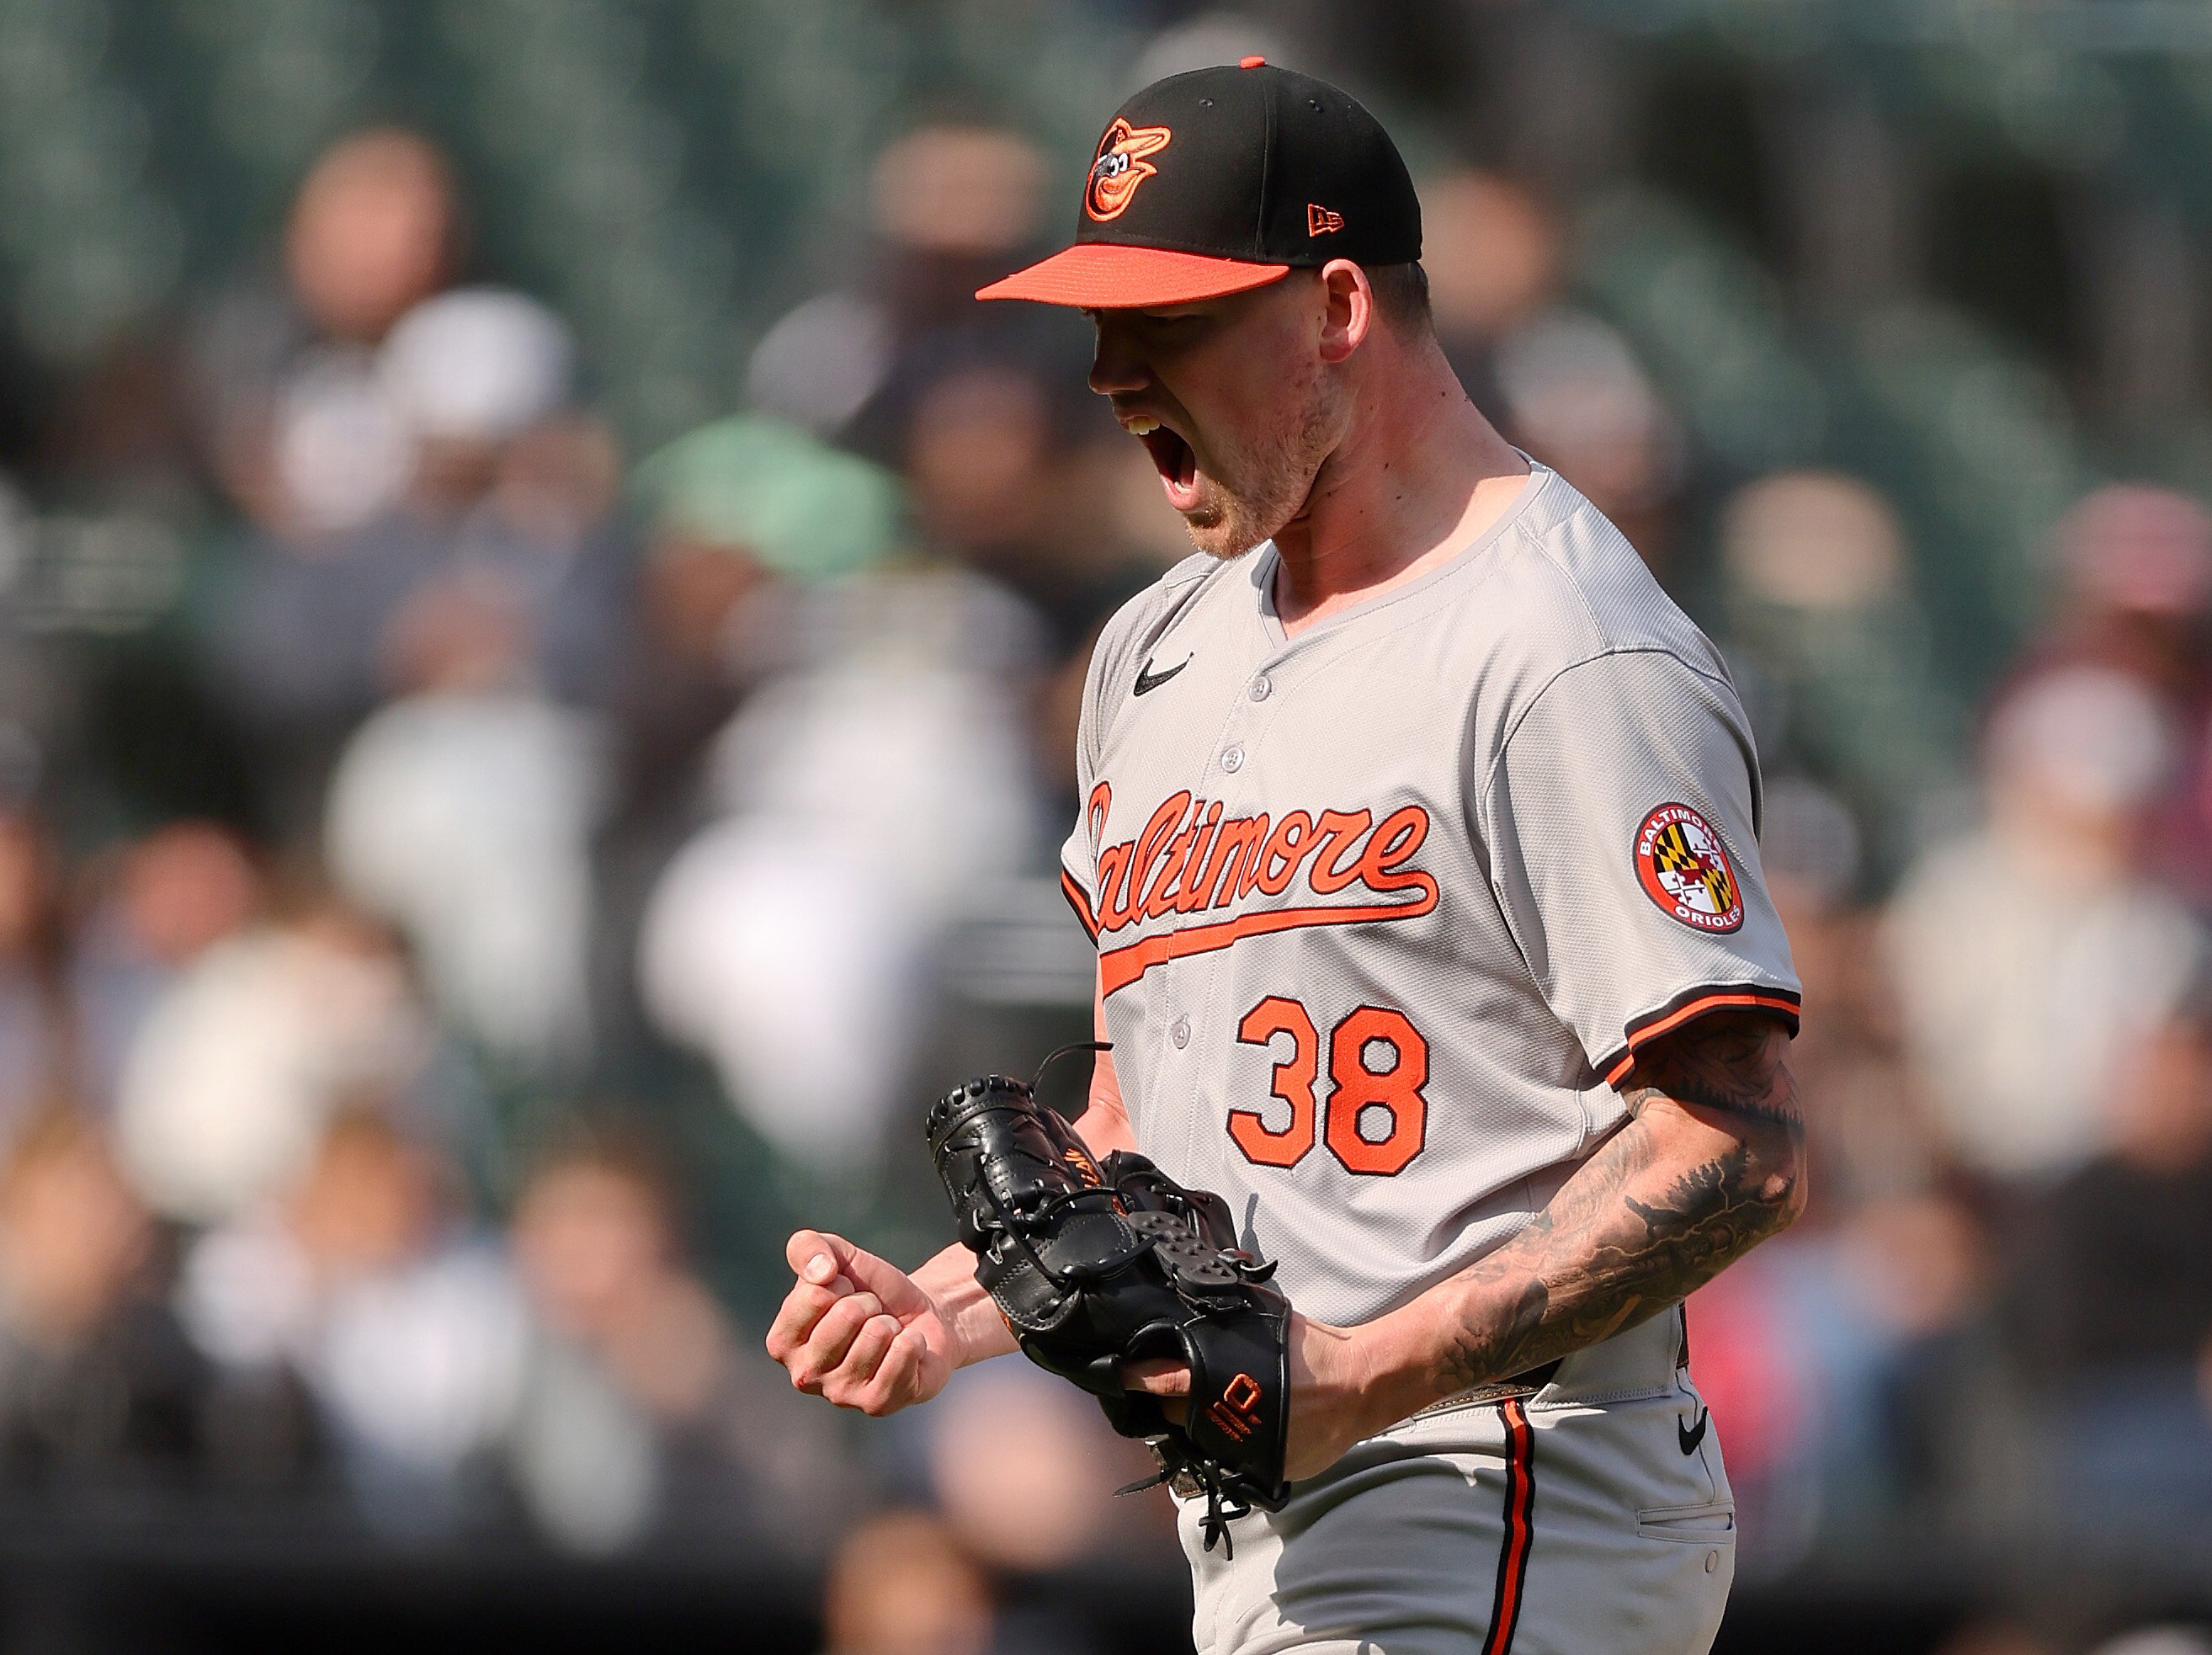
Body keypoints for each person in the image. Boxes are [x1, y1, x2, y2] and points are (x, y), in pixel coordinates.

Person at [770, 61, 1805, 1655]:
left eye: (1172, 320)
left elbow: (1733, 1142)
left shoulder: (1560, 650)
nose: (1113, 373)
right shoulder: (1153, 648)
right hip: (1271, 1520)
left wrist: (1354, 1380)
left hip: (1502, 1488)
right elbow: (1144, 1126)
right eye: (1102, 325)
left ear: (1335, 307)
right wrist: (957, 1310)